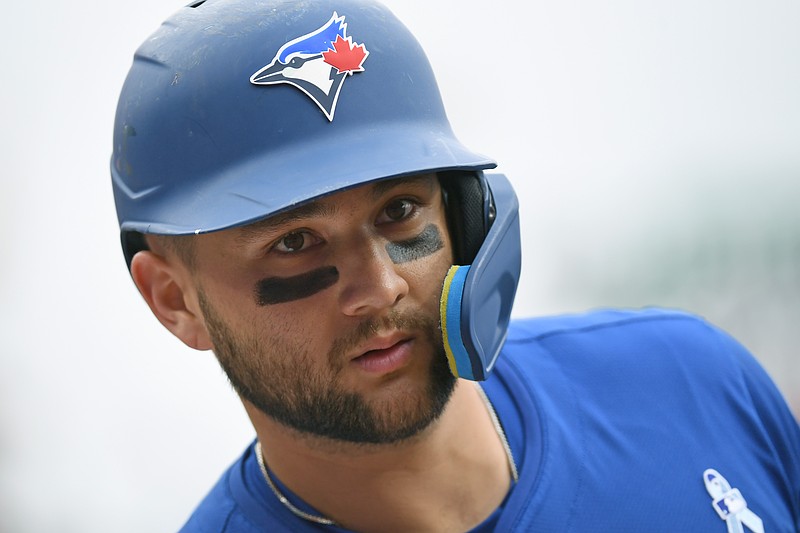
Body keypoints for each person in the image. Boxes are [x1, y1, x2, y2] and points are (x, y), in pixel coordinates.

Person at [110, 0, 800, 531]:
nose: (380, 287)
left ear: (465, 212)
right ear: (175, 299)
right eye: (295, 241)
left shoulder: (692, 383)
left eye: (400, 210)